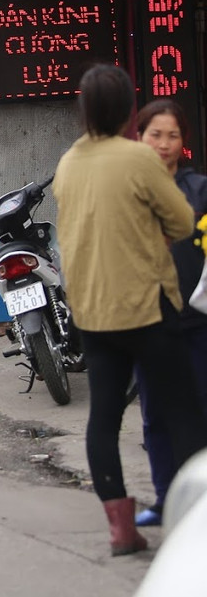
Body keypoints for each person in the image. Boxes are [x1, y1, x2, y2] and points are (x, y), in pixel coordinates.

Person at [53, 64, 207, 555]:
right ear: (128, 111)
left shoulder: (69, 162)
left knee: (103, 418)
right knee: (182, 412)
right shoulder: (137, 158)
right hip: (146, 308)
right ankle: (192, 521)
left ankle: (121, 529)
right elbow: (183, 222)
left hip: (93, 314)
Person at [132, 99, 207, 526]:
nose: (164, 144)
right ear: (139, 137)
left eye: (172, 135)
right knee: (155, 413)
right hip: (146, 321)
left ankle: (199, 503)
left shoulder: (200, 190)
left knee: (199, 409)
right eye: (155, 134)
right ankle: (164, 500)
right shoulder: (129, 189)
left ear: (184, 141)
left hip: (197, 322)